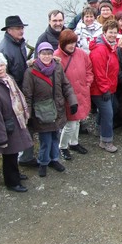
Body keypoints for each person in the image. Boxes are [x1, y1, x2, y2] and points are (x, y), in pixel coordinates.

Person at [22, 42, 77, 177]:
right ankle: (43, 162)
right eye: (43, 53)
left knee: (55, 137)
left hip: (58, 109)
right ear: (38, 55)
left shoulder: (58, 67)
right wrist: (27, 114)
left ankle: (54, 159)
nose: (46, 56)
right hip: (42, 112)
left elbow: (66, 86)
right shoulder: (30, 72)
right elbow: (27, 94)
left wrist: (72, 101)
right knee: (45, 140)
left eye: (49, 53)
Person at [0, 52, 33, 193]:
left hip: (16, 122)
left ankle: (16, 175)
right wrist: (1, 138)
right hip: (6, 127)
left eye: (2, 65)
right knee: (9, 156)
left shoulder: (8, 78)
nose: (0, 68)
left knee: (15, 153)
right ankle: (12, 182)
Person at [54, 30, 93, 161]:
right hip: (68, 96)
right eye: (68, 43)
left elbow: (89, 69)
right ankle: (63, 146)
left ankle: (74, 142)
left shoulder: (81, 53)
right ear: (62, 43)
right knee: (70, 124)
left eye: (73, 42)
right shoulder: (56, 57)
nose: (72, 45)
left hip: (81, 92)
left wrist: (87, 84)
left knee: (77, 121)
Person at [89, 20, 121, 153]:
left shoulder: (111, 46)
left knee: (112, 107)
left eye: (115, 32)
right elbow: (99, 72)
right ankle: (106, 141)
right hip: (100, 89)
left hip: (108, 87)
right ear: (104, 32)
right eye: (110, 32)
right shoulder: (100, 49)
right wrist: (105, 89)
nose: (113, 35)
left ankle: (98, 127)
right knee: (108, 114)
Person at [0, 15, 29, 88]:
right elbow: (1, 77)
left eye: (22, 28)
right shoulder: (2, 51)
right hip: (13, 90)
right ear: (9, 30)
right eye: (18, 29)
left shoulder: (20, 43)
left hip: (23, 87)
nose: (22, 31)